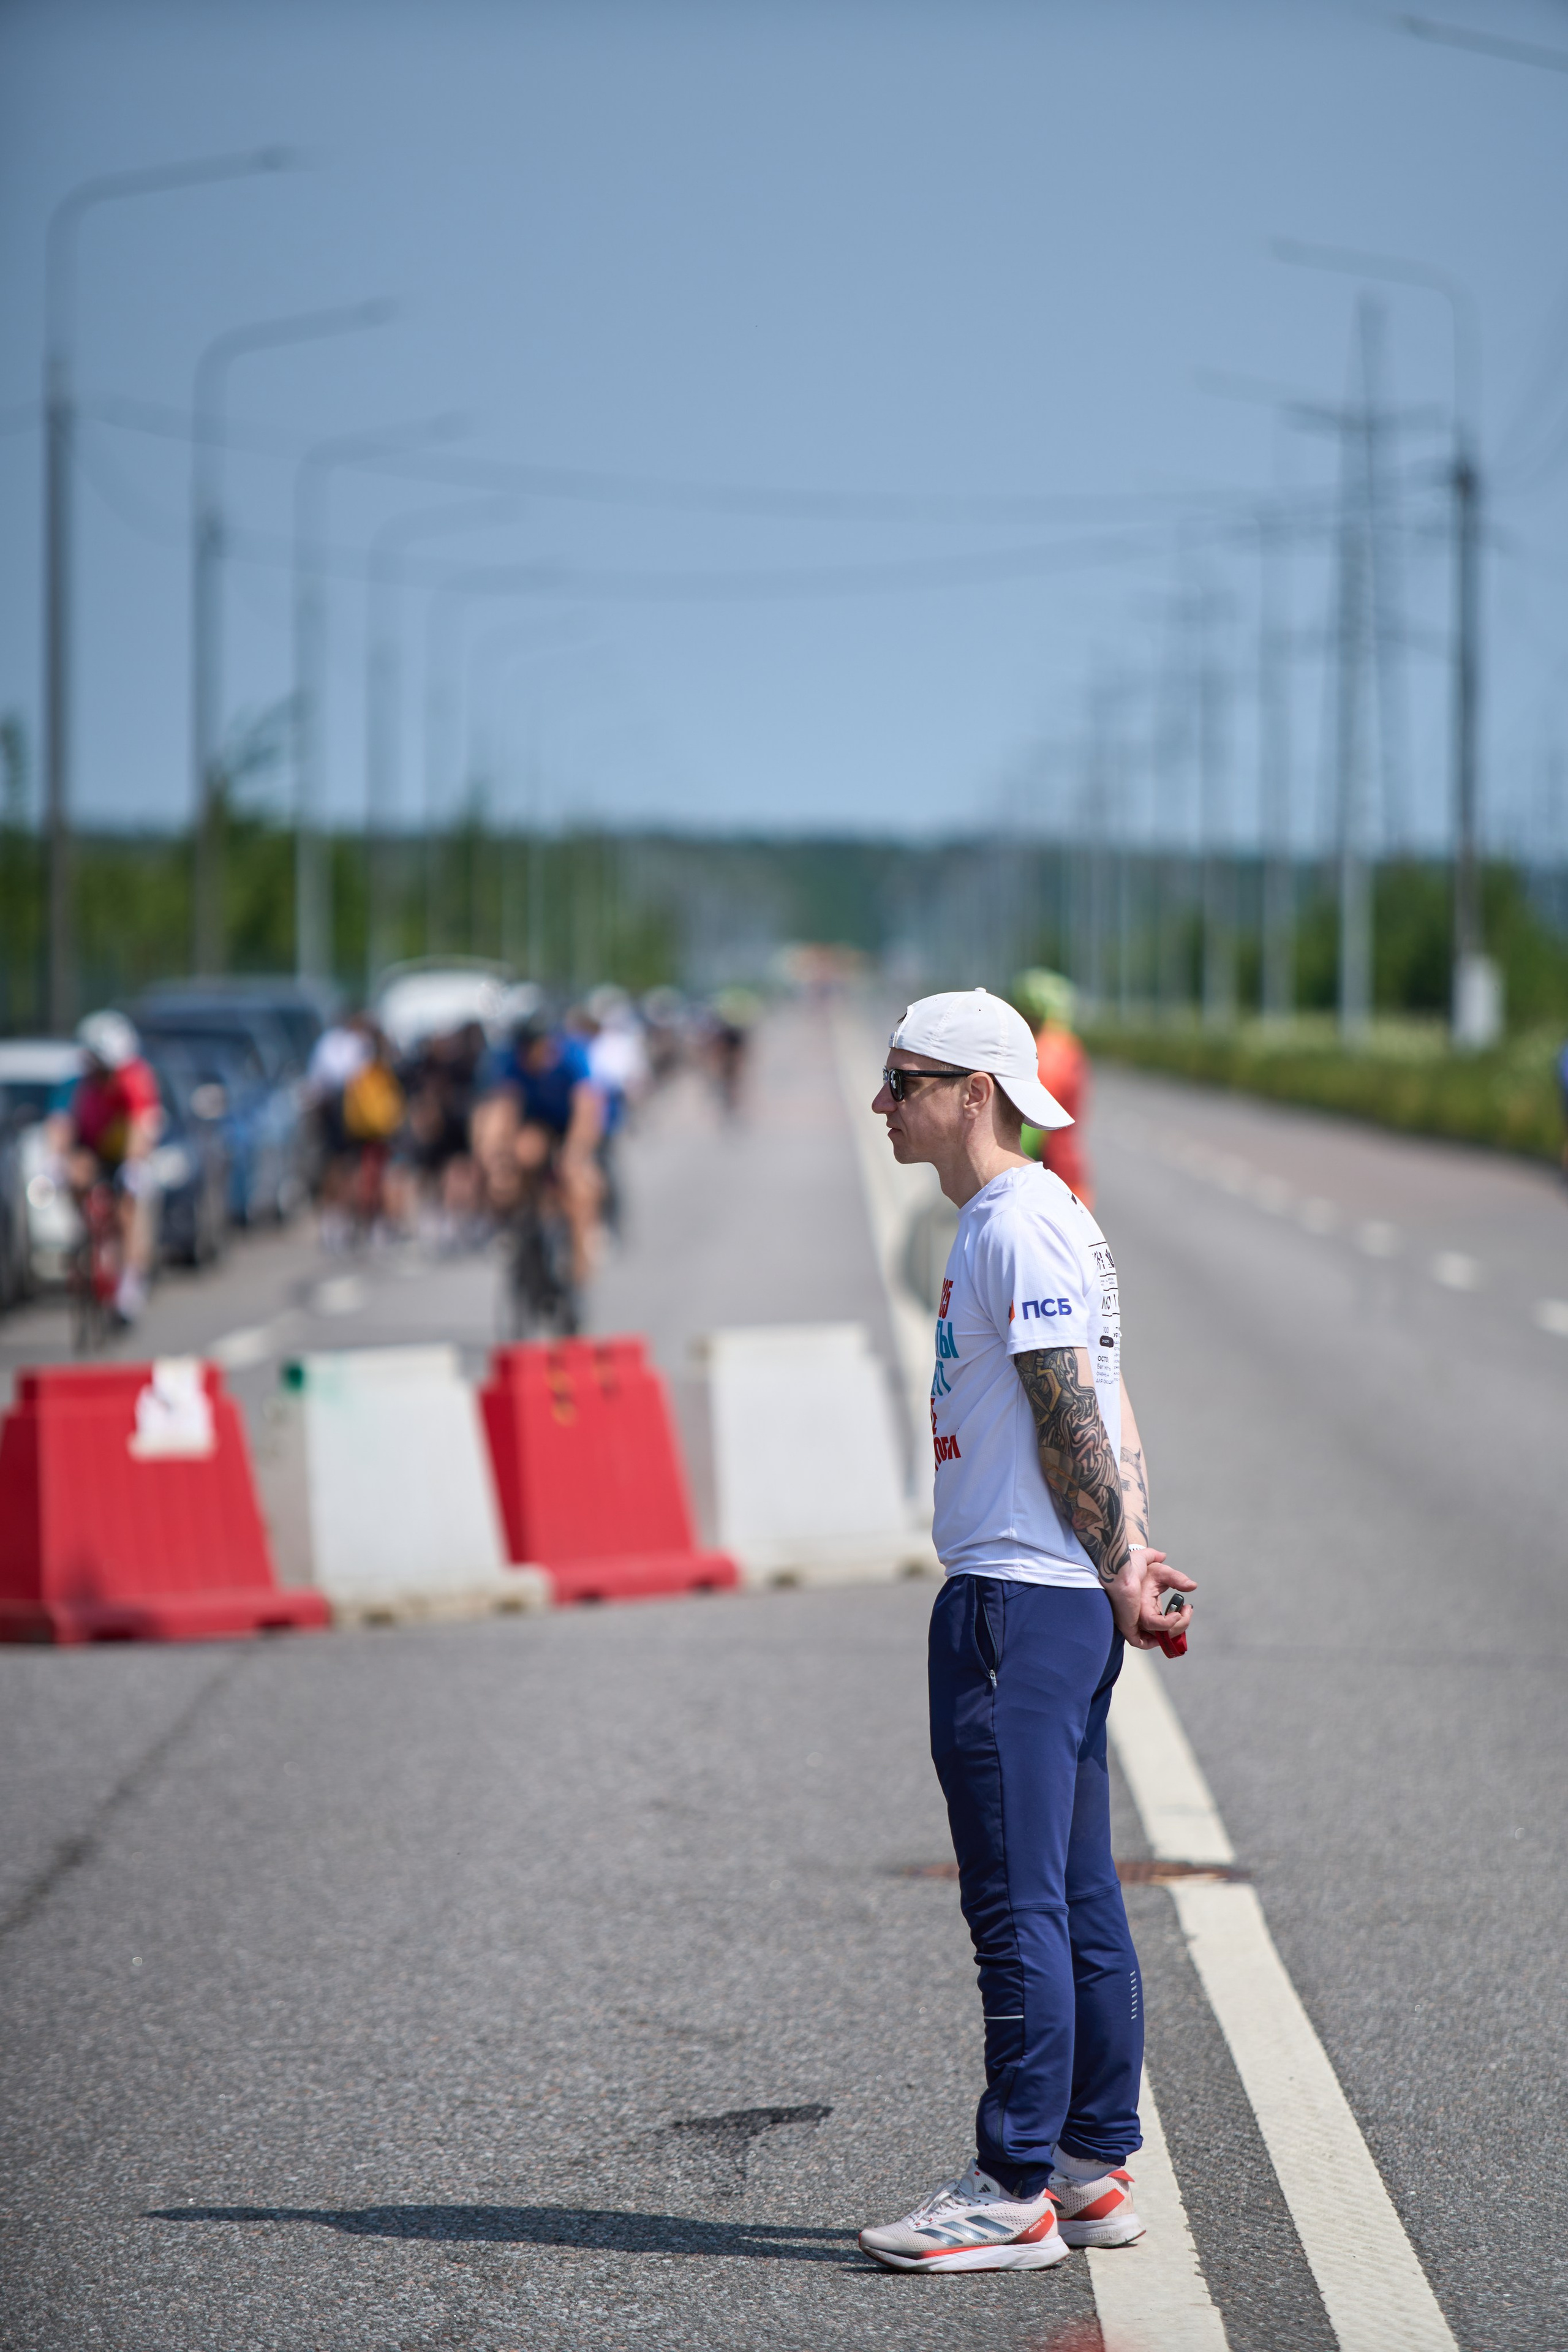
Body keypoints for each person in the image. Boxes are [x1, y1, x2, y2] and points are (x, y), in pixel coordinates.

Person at [858, 986, 1194, 2276]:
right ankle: (1088, 2167)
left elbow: (1069, 1413)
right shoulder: (1039, 1217)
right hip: (1053, 1596)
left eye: (902, 1081)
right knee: (1077, 1893)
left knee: (1018, 1907)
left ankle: (1008, 2189)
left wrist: (1115, 1563)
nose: (882, 1103)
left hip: (1017, 1603)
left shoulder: (1012, 1227)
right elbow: (1108, 1402)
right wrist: (1127, 1556)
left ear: (972, 1094)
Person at [472, 1012, 605, 1281]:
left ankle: (581, 1259)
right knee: (519, 1159)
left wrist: (575, 1153)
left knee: (579, 1182)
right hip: (537, 1126)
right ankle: (519, 1224)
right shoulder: (512, 1062)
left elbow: (585, 1109)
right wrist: (494, 1153)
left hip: (569, 1127)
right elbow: (502, 1108)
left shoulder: (572, 1058)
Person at [58, 1011, 164, 1324]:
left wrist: (133, 1165)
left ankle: (129, 1287)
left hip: (126, 1150)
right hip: (93, 1146)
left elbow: (141, 1126)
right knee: (76, 1176)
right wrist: (59, 1160)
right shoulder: (79, 1081)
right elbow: (62, 1124)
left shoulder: (135, 1077)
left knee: (128, 1208)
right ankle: (84, 1233)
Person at [1014, 967, 1093, 1209]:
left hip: (1046, 1171)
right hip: (1068, 1166)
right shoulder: (1070, 1047)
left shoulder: (1046, 1053)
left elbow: (1032, 1122)